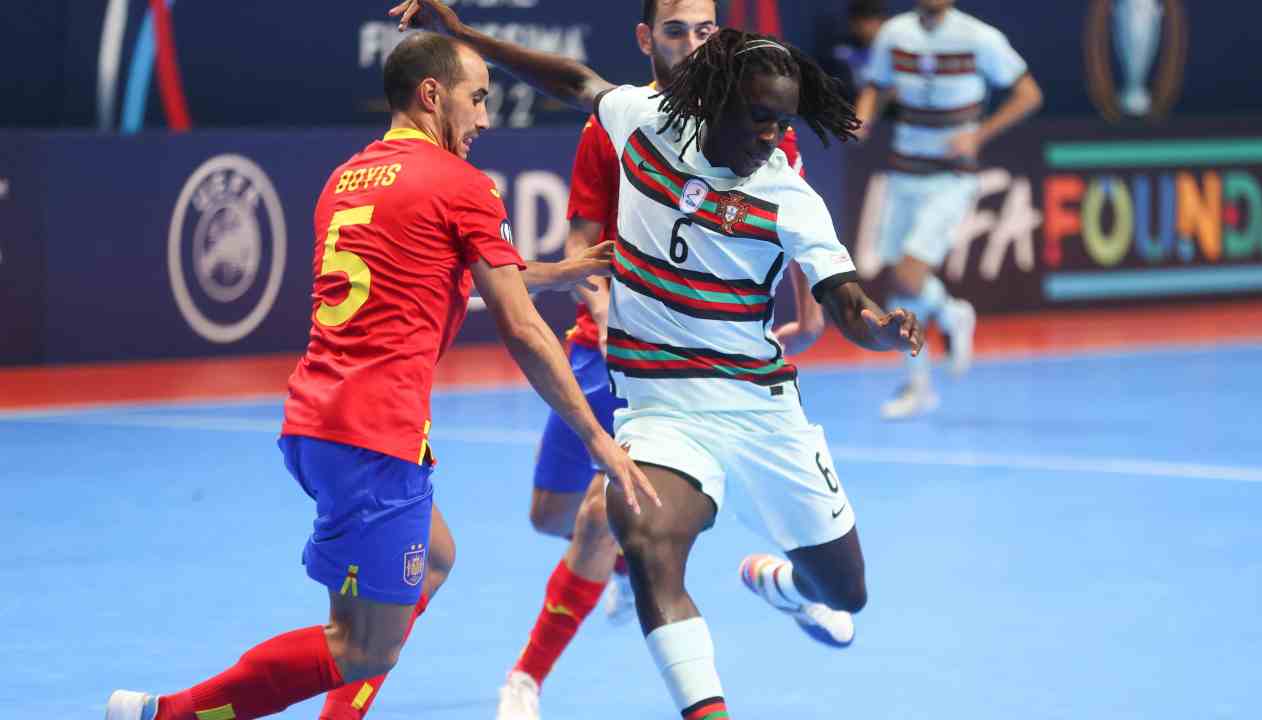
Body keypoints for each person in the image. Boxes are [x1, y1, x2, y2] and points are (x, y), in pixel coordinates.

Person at [104, 31, 658, 720]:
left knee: (435, 557)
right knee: (361, 647)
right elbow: (521, 329)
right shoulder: (463, 185)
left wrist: (552, 272)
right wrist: (598, 441)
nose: (485, 118)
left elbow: (427, 272)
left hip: (319, 421)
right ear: (433, 95)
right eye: (477, 98)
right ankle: (173, 714)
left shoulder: (349, 178)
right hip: (376, 437)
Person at [393, 3, 923, 718]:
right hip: (659, 401)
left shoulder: (788, 196)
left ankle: (785, 586)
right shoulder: (645, 118)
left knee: (844, 591)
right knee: (642, 536)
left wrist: (883, 330)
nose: (774, 138)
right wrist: (460, 35)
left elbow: (845, 301)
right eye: (761, 120)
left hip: (758, 406)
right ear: (715, 105)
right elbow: (570, 80)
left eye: (784, 122)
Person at [492, 1, 825, 718]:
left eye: (705, 30)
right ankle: (627, 557)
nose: (693, 43)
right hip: (603, 347)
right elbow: (586, 237)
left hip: (696, 370)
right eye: (676, 30)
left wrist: (814, 303)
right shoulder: (615, 121)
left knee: (595, 518)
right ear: (648, 39)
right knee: (551, 515)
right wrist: (599, 301)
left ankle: (524, 677)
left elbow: (794, 211)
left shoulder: (754, 119)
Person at [853, 0, 1042, 419]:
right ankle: (919, 387)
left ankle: (952, 313)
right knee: (900, 288)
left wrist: (980, 134)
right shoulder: (894, 34)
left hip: (951, 178)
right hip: (904, 173)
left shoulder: (980, 37)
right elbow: (877, 85)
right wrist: (864, 116)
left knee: (908, 274)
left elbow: (1029, 94)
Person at [818, 0, 891, 102]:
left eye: (872, 19)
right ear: (852, 23)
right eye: (860, 19)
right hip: (847, 107)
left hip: (884, 111)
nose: (867, 26)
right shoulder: (839, 52)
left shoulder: (892, 51)